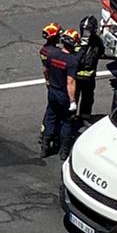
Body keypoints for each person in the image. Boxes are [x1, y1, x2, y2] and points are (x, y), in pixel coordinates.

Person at [38, 22, 78, 158]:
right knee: (67, 121)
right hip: (64, 94)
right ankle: (64, 151)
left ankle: (44, 147)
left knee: (50, 117)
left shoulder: (52, 55)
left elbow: (45, 70)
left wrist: (48, 82)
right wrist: (72, 101)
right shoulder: (72, 61)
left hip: (52, 91)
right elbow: (70, 82)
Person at [75, 16, 106, 120]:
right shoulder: (76, 40)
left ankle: (84, 118)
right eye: (84, 30)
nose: (85, 32)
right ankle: (70, 119)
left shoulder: (97, 42)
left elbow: (100, 52)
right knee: (73, 99)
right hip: (76, 77)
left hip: (89, 78)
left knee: (87, 99)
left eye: (88, 30)